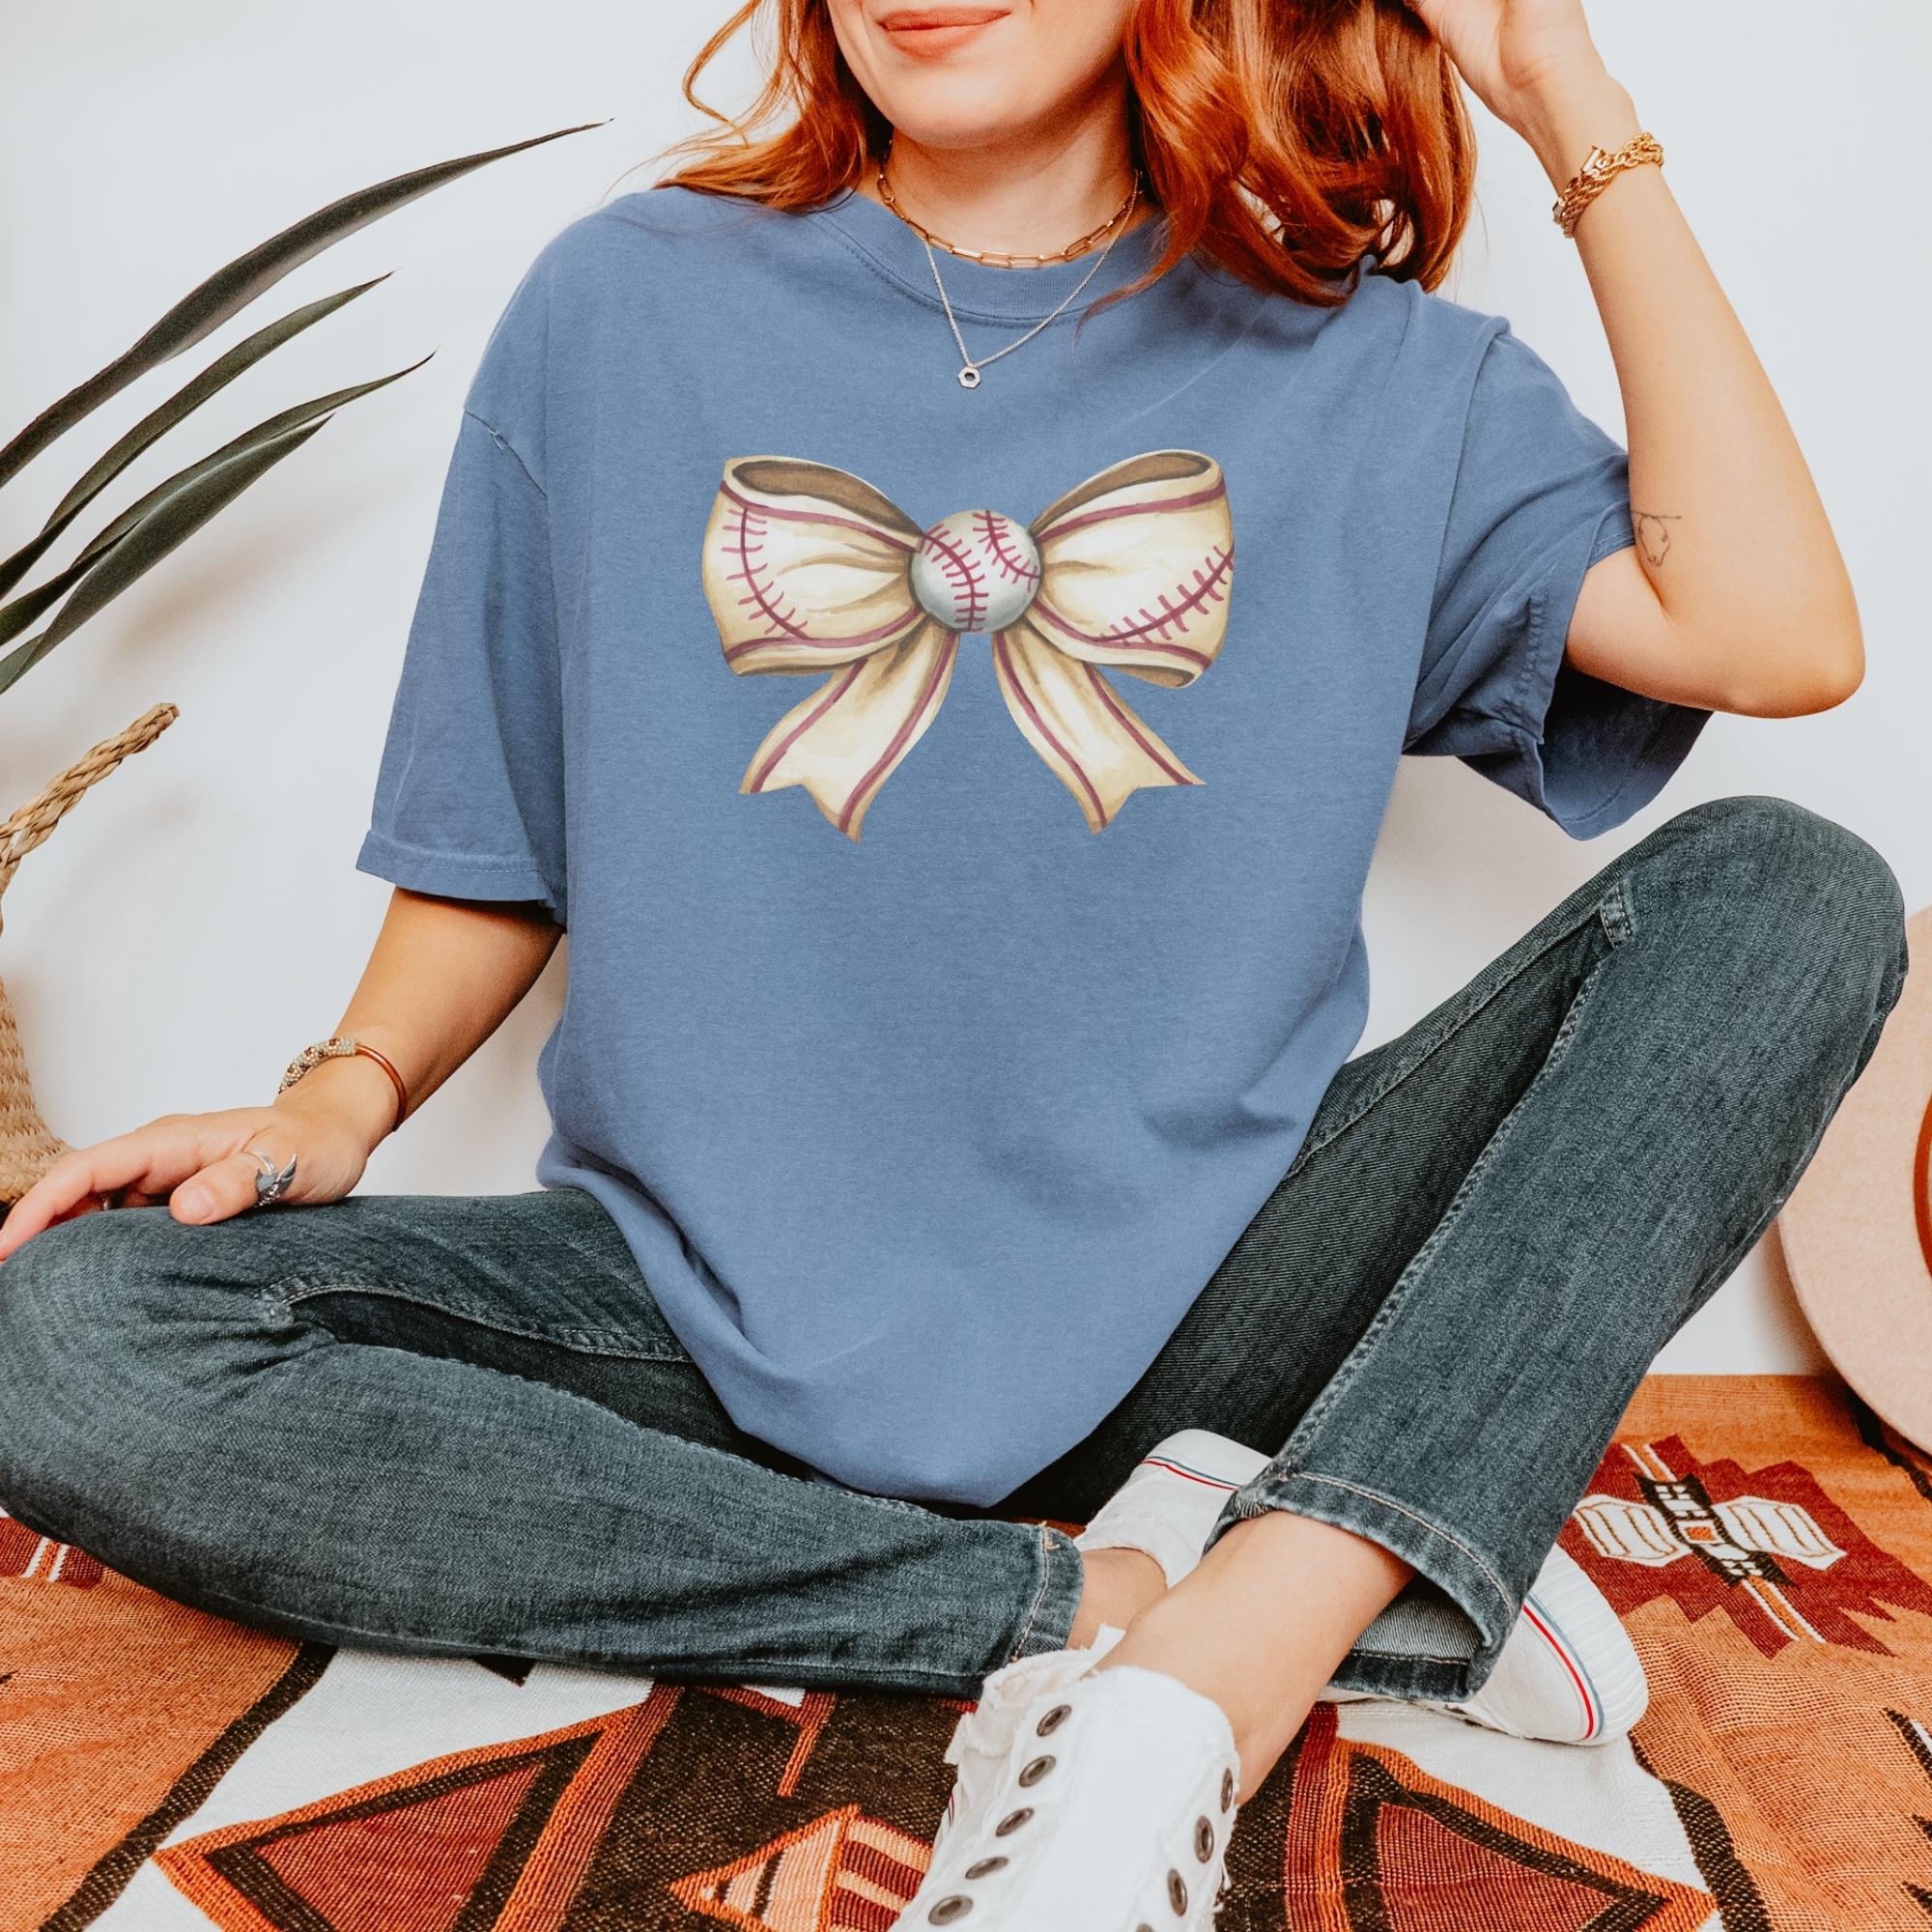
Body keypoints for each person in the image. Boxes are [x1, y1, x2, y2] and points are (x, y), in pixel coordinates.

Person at [0, 0, 1910, 1924]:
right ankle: (1142, 1594)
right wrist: (339, 1096)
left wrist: (1571, 106)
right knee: (67, 1331)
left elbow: (1771, 636)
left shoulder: (1388, 374)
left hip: (1215, 1302)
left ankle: (1241, 1647)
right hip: (691, 1304)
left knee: (1791, 888)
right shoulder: (621, 306)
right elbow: (502, 837)